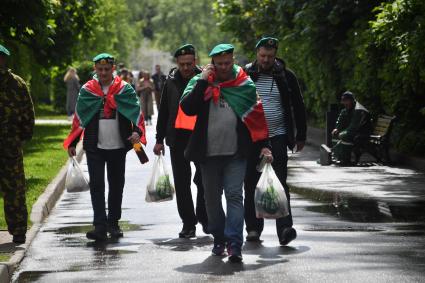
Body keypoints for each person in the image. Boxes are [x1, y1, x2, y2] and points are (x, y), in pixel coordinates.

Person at [180, 44, 273, 263]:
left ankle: (234, 243)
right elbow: (188, 107)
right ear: (212, 63)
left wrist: (264, 145)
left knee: (234, 196)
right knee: (212, 200)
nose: (223, 67)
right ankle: (219, 238)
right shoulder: (199, 82)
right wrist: (203, 80)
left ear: (233, 61)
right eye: (219, 64)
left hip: (236, 154)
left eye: (227, 63)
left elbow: (257, 116)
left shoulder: (243, 84)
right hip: (208, 155)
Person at [64, 53, 146, 241]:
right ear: (95, 69)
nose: (103, 72)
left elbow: (136, 113)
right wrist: (73, 142)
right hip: (94, 146)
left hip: (118, 145)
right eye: (99, 69)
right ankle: (99, 226)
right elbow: (79, 117)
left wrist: (137, 133)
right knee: (97, 186)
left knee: (116, 186)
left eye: (106, 69)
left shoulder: (124, 89)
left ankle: (114, 223)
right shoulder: (88, 90)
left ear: (113, 68)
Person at [243, 37, 307, 245]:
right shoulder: (246, 74)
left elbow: (298, 105)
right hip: (252, 138)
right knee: (251, 183)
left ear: (276, 54)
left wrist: (301, 135)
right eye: (262, 55)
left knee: (280, 183)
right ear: (257, 53)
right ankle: (253, 228)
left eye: (270, 56)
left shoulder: (286, 76)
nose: (266, 60)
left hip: (278, 136)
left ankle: (285, 228)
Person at [154, 44, 207, 238]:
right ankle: (188, 223)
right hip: (177, 139)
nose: (186, 68)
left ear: (195, 61)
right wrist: (159, 139)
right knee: (182, 183)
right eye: (182, 64)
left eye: (189, 63)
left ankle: (204, 215)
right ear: (177, 63)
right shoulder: (171, 82)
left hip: (200, 138)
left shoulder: (205, 79)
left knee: (203, 180)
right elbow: (164, 112)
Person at [0, 43, 35, 244]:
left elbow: (27, 113)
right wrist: (24, 135)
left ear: (4, 59)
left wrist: (23, 135)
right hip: (11, 143)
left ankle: (19, 230)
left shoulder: (17, 84)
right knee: (14, 187)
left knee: (14, 188)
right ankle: (19, 229)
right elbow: (28, 114)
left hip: (10, 143)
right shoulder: (18, 83)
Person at [332, 91, 372, 165]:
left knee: (345, 136)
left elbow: (354, 126)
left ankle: (345, 159)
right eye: (343, 101)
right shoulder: (346, 109)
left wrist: (342, 133)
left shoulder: (359, 110)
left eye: (345, 101)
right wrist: (337, 128)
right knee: (335, 133)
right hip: (355, 131)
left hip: (362, 133)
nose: (343, 103)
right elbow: (341, 120)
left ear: (351, 100)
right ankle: (337, 156)